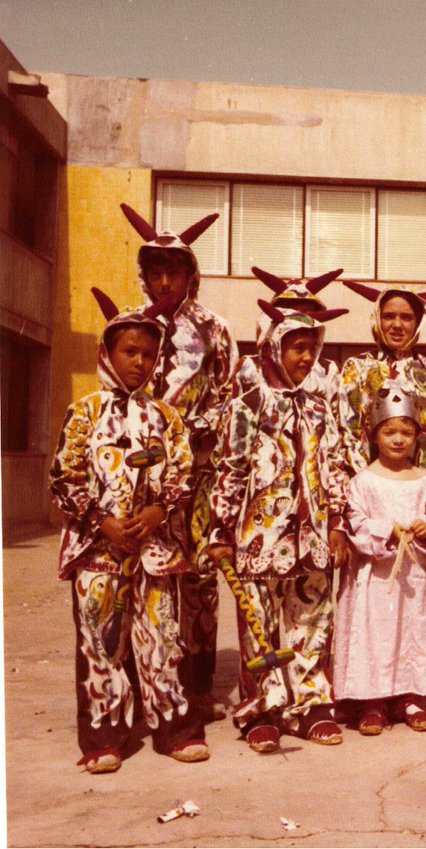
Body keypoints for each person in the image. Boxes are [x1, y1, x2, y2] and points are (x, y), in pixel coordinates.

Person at [48, 289, 208, 773]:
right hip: (99, 552)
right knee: (102, 643)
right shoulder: (85, 412)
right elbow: (64, 476)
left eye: (148, 354)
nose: (139, 362)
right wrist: (102, 521)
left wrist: (160, 510)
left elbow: (183, 472)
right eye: (129, 352)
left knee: (161, 638)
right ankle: (104, 738)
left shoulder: (167, 417)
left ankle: (175, 731)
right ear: (107, 353)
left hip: (156, 551)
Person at [206, 303, 351, 752]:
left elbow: (335, 466)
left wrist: (338, 525)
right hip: (259, 537)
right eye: (296, 348)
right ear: (275, 347)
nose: (306, 358)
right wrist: (221, 532)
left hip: (311, 538)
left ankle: (309, 707)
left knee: (311, 622)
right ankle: (262, 711)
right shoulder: (248, 402)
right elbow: (230, 468)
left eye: (312, 349)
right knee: (260, 626)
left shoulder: (320, 404)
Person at [119, 203, 238, 717]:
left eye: (175, 270)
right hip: (138, 473)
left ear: (191, 275)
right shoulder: (129, 327)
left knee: (199, 577)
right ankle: (138, 682)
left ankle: (197, 685)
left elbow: (231, 397)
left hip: (202, 471)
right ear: (145, 276)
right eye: (156, 271)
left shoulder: (214, 329)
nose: (165, 280)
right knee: (137, 573)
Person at [334, 389, 426, 735]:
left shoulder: (423, 479)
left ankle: (410, 696)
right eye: (390, 431)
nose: (398, 439)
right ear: (374, 434)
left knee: (411, 631)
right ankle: (372, 701)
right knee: (375, 633)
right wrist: (385, 532)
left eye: (406, 432)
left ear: (417, 437)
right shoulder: (363, 480)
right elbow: (357, 524)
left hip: (412, 574)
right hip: (375, 576)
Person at [339, 281, 426, 472]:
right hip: (369, 483)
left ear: (418, 323)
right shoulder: (357, 369)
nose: (397, 325)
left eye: (407, 318)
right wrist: (366, 481)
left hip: (423, 484)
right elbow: (349, 432)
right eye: (389, 316)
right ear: (377, 319)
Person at [232, 266, 345, 403]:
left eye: (306, 314)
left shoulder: (328, 372)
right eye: (289, 312)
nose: (299, 321)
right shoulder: (251, 368)